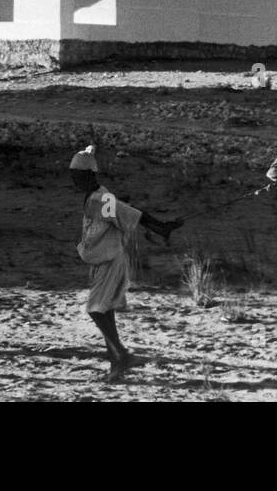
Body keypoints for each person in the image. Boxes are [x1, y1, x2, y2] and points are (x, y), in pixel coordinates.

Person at [70, 145, 181, 381]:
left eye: (79, 175)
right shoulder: (94, 197)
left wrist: (160, 227)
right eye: (73, 175)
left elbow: (131, 213)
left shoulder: (102, 198)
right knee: (105, 311)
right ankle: (116, 366)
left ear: (91, 175)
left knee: (96, 310)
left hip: (111, 261)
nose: (75, 180)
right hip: (103, 261)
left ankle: (122, 354)